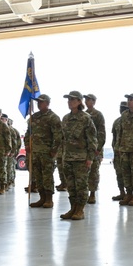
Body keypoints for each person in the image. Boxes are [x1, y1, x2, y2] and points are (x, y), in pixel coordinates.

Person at [60, 91, 98, 220]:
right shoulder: (65, 118)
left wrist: (90, 158)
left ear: (79, 102)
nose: (69, 102)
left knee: (81, 185)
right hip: (68, 157)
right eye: (68, 99)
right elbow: (62, 138)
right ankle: (73, 208)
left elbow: (92, 140)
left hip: (81, 158)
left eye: (72, 99)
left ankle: (80, 210)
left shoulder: (86, 118)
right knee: (71, 185)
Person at [26, 94, 63, 208]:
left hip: (47, 152)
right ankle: (42, 198)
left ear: (47, 103)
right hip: (35, 152)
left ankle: (49, 199)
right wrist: (27, 143)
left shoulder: (53, 117)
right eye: (38, 102)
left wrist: (54, 150)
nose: (39, 104)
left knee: (47, 175)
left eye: (41, 102)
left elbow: (58, 135)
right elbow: (29, 132)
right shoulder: (34, 117)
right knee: (38, 175)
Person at [84, 94, 106, 203]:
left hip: (94, 148)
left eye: (88, 99)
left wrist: (99, 148)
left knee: (93, 171)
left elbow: (101, 133)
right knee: (83, 172)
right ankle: (84, 193)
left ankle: (92, 194)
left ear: (93, 101)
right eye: (85, 99)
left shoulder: (98, 115)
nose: (86, 101)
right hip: (84, 148)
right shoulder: (82, 114)